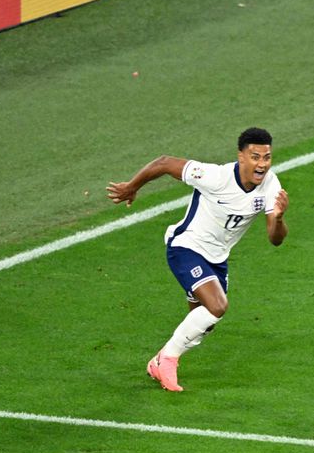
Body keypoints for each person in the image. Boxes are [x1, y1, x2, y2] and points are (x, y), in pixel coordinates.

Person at [106, 128, 290, 391]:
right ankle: (165, 360)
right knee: (217, 306)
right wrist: (131, 187)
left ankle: (161, 359)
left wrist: (280, 218)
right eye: (255, 156)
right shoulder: (215, 176)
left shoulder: (271, 186)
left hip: (217, 259)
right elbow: (164, 163)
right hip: (186, 246)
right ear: (241, 156)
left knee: (204, 322)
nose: (262, 164)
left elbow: (275, 239)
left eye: (267, 157)